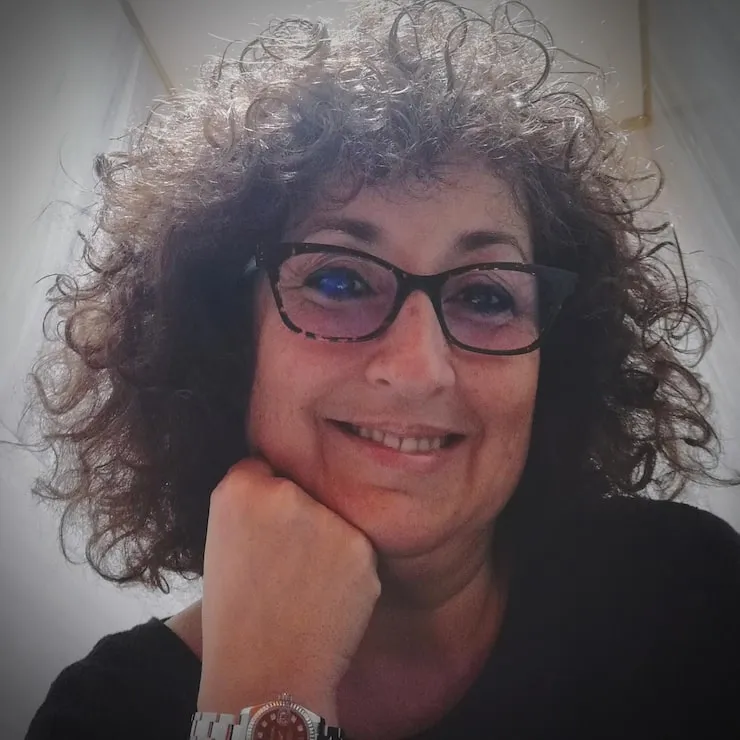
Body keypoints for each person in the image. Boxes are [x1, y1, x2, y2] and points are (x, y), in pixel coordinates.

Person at [25, 1, 740, 738]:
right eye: (338, 280)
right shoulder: (102, 715)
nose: (420, 368)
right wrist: (269, 692)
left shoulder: (684, 590)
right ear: (227, 336)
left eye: (486, 296)